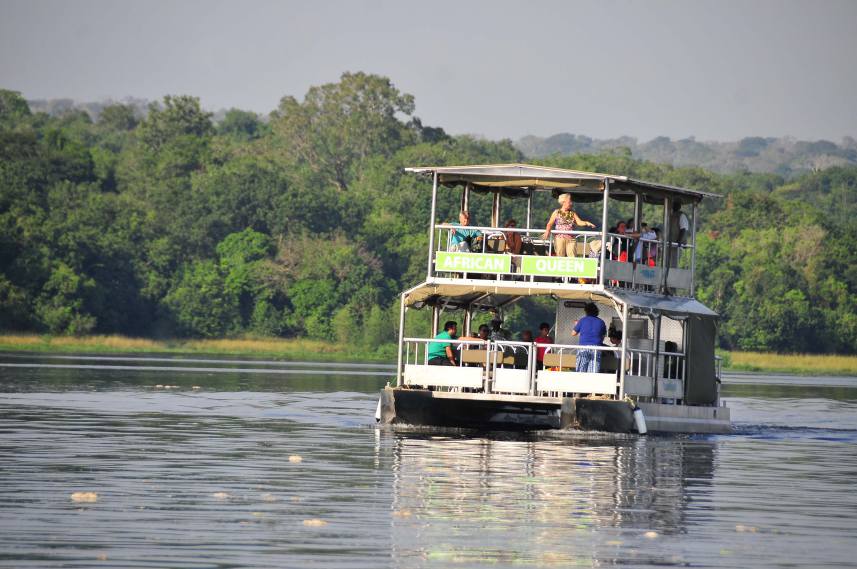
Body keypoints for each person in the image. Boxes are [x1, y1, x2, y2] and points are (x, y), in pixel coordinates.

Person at [571, 302, 607, 373]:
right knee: (593, 372)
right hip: (596, 349)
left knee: (581, 371)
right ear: (596, 311)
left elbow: (573, 333)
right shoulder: (601, 322)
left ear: (586, 311)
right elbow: (603, 337)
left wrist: (576, 324)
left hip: (583, 348)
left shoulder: (582, 320)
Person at [668, 201, 690, 268]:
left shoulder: (681, 215)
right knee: (667, 263)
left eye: (676, 205)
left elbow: (683, 229)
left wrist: (679, 241)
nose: (674, 206)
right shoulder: (671, 215)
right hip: (670, 244)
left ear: (679, 206)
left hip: (676, 245)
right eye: (673, 205)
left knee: (673, 264)